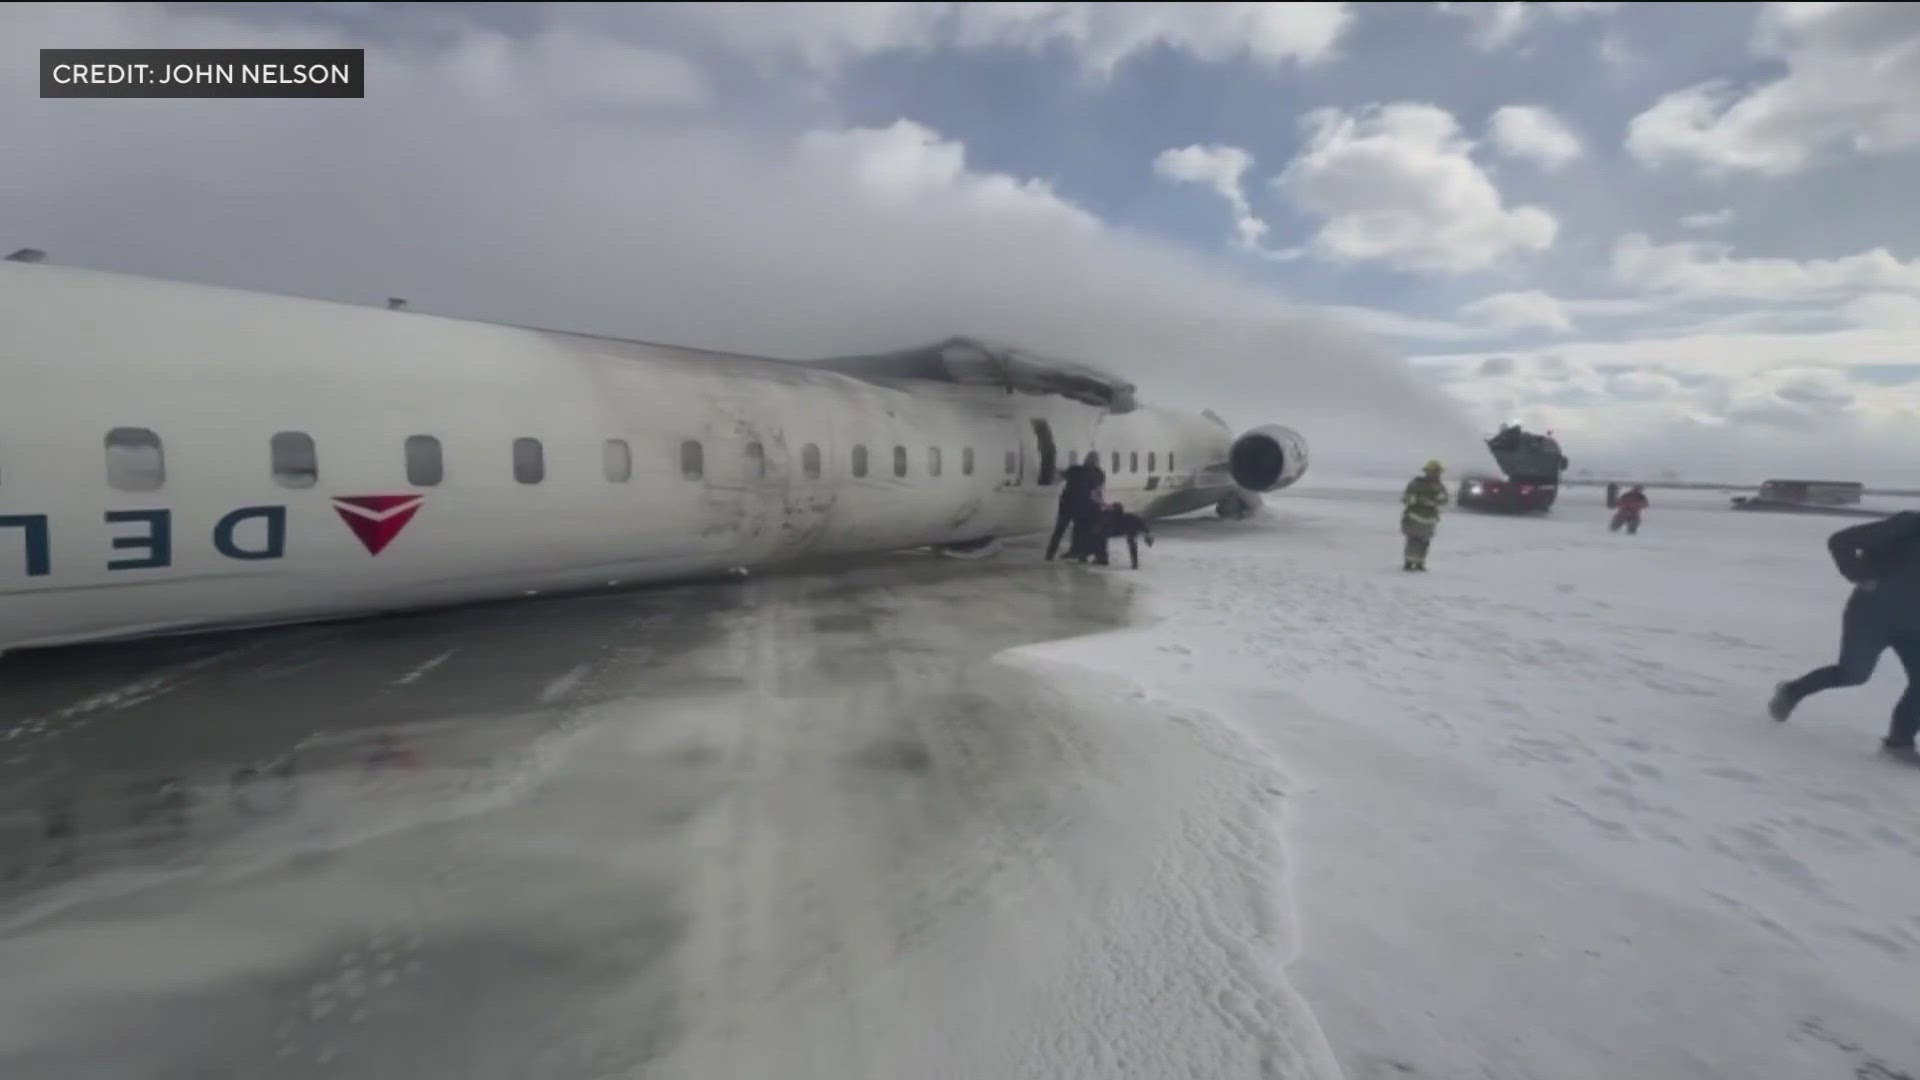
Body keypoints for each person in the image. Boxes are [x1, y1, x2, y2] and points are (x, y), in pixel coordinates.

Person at [1768, 511, 1920, 758]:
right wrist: (1860, 575)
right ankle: (1792, 691)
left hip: (1914, 626)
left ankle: (1899, 743)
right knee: (1854, 674)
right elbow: (1841, 540)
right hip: (1871, 617)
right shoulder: (1910, 525)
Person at [1046, 451, 1105, 561]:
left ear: (1085, 459)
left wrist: (1052, 470)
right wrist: (1101, 504)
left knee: (1059, 530)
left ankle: (1050, 553)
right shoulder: (1098, 474)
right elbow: (1097, 491)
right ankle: (1081, 555)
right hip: (1084, 508)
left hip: (1067, 505)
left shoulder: (1074, 470)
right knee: (1081, 532)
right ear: (1097, 461)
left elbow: (1060, 476)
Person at [1401, 460, 1449, 572]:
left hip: (1429, 519)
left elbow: (1444, 499)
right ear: (1427, 472)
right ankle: (1409, 562)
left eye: (1438, 472)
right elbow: (1407, 498)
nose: (1436, 474)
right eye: (1434, 471)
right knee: (1413, 540)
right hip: (1415, 517)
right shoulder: (1416, 484)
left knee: (1424, 542)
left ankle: (1419, 563)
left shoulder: (1439, 486)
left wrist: (1435, 501)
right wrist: (1420, 501)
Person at [1089, 502, 1154, 569]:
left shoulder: (1111, 516)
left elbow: (1097, 528)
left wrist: (1147, 533)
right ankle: (1102, 558)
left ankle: (1102, 558)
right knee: (1131, 539)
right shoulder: (1127, 517)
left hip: (1120, 529)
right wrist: (1147, 533)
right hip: (1119, 529)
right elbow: (1141, 523)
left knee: (1131, 539)